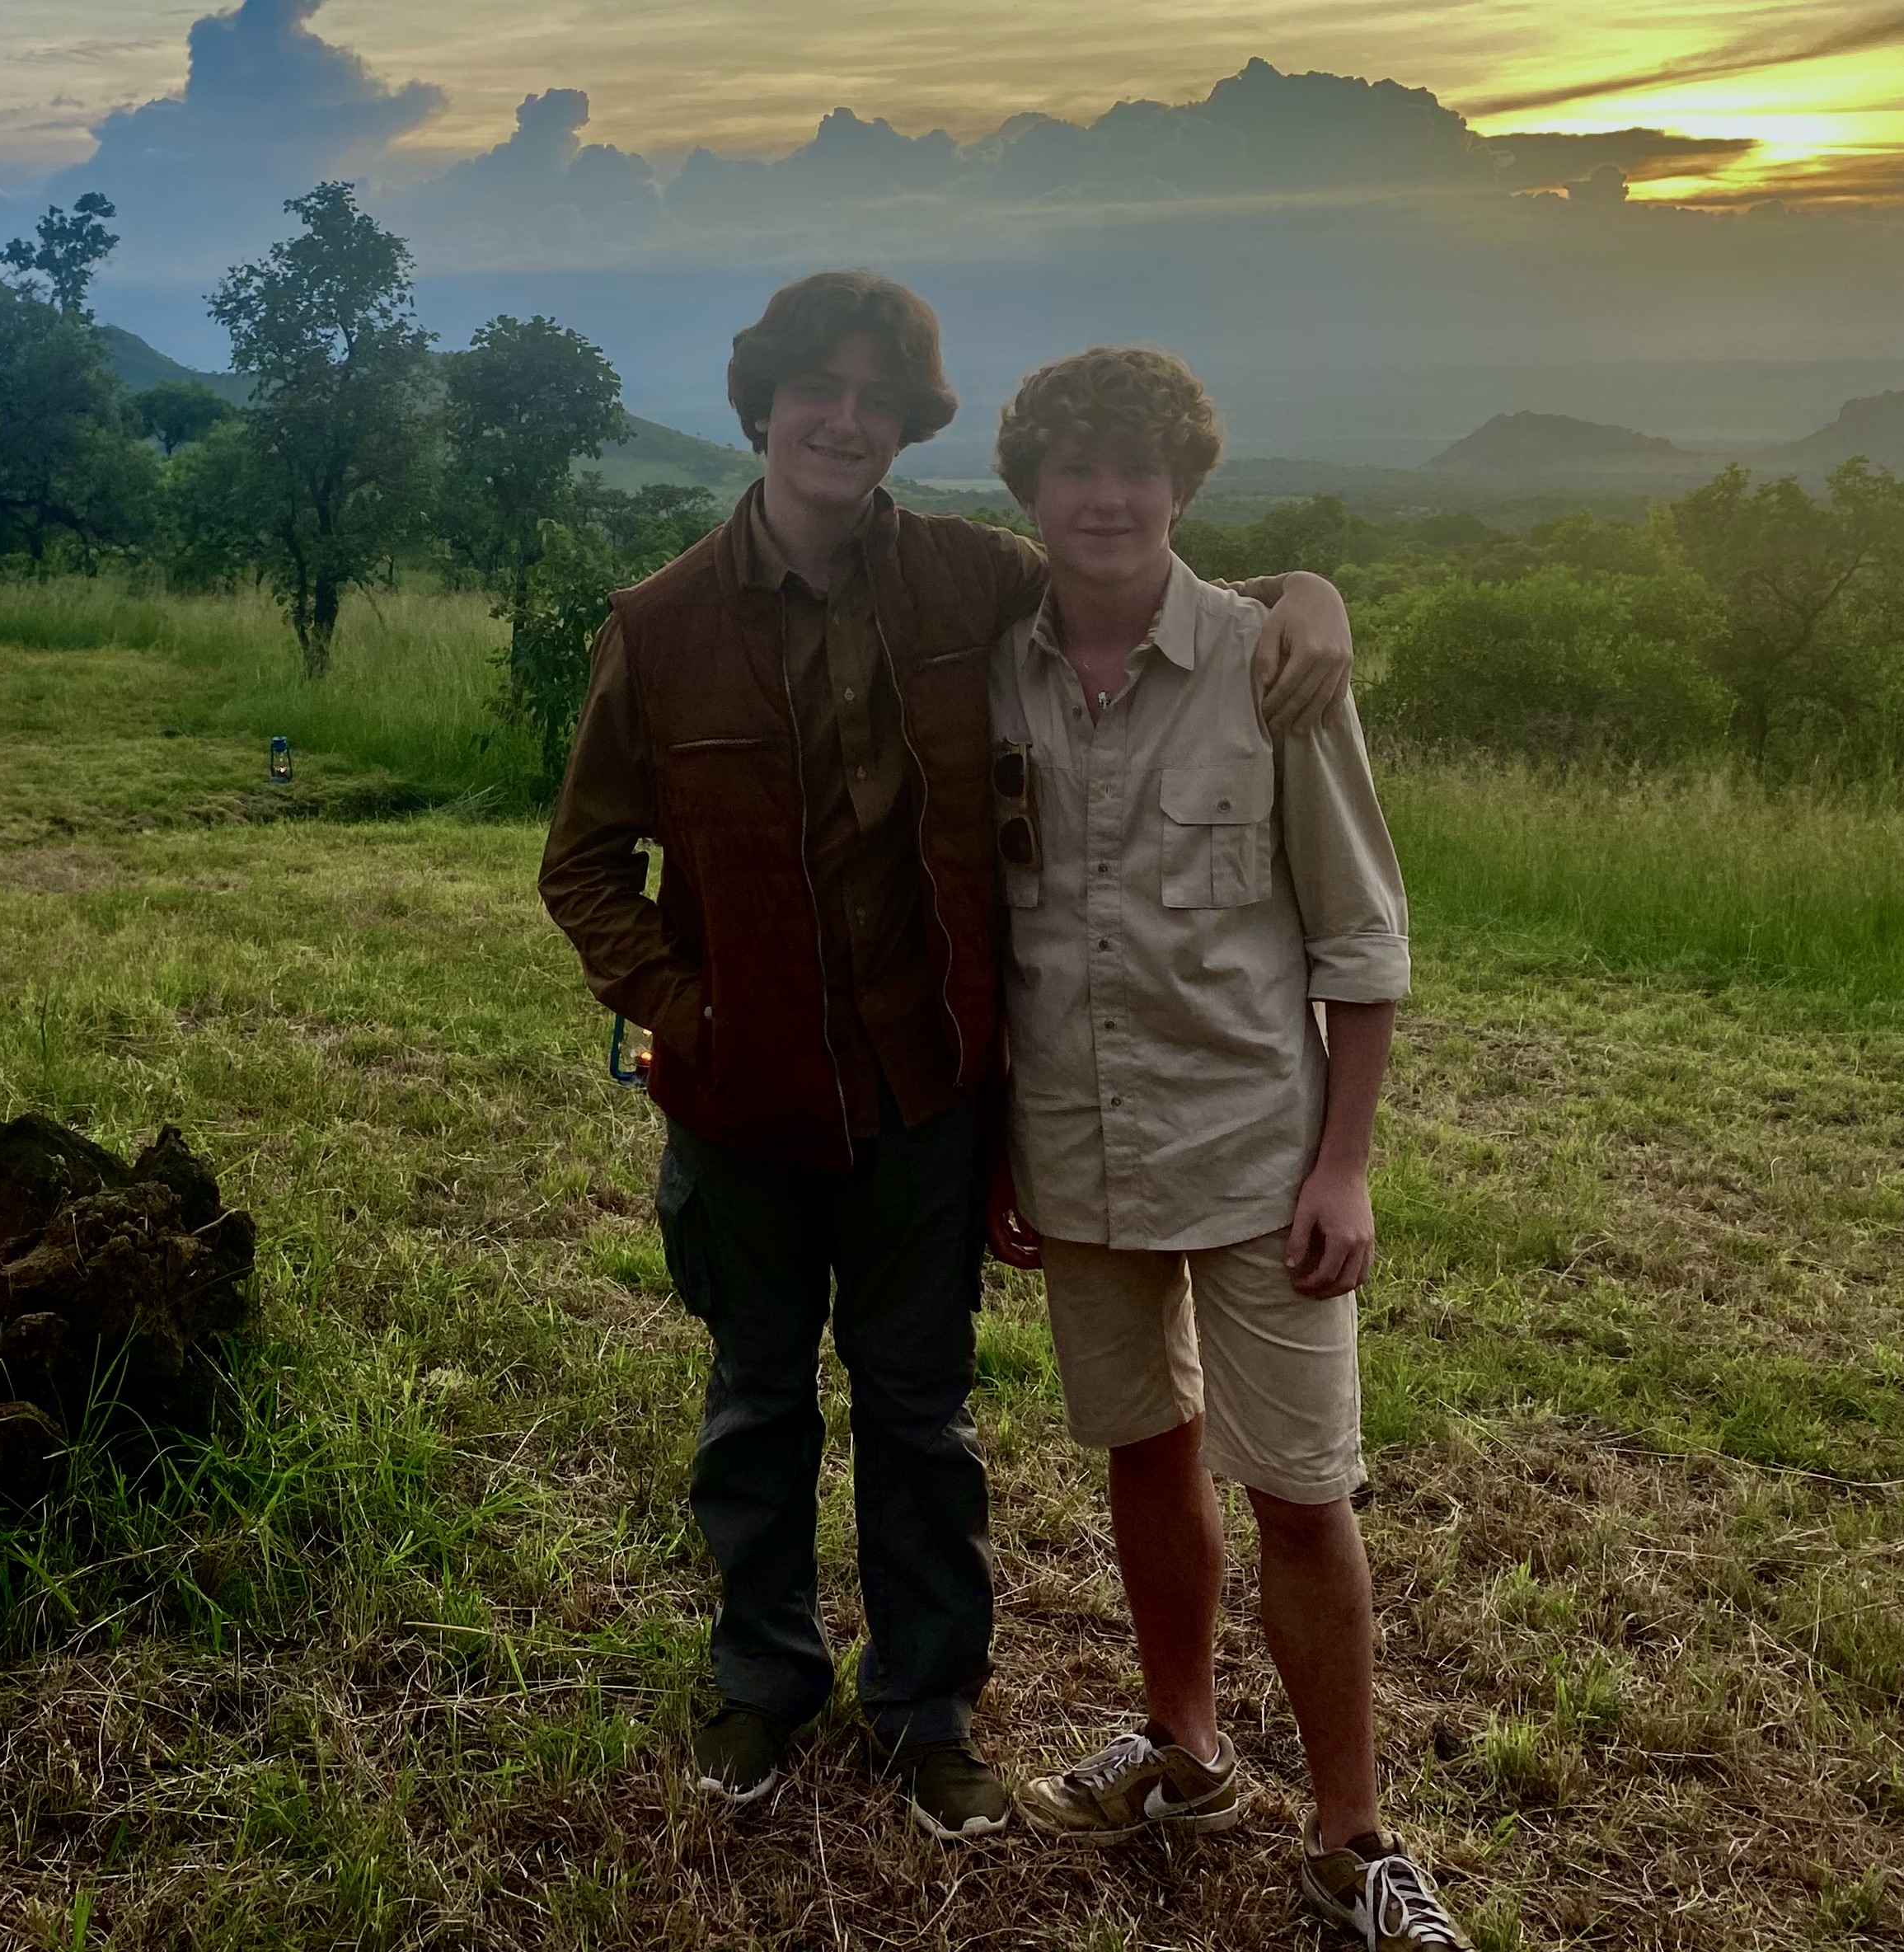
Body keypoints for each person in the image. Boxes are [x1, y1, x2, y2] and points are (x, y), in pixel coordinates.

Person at [537, 273, 1357, 1842]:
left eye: (874, 395)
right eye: (814, 389)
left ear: (906, 426)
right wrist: (683, 1011)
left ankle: (927, 1708)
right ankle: (761, 1681)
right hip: (745, 1105)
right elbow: (584, 864)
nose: (843, 418)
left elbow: (1138, 576)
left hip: (926, 1096)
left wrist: (1308, 589)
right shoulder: (659, 625)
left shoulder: (965, 583)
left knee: (921, 1420)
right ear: (763, 406)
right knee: (754, 1404)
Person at [982, 346, 1464, 1948]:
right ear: (1030, 492)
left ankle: (1355, 1838)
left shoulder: (1274, 664)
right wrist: (1004, 1147)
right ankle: (1183, 1748)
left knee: (1304, 1490)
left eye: (1136, 468)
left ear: (1183, 486)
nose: (1106, 496)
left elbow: (1362, 938)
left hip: (1262, 1154)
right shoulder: (994, 676)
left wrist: (1347, 1163)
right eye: (1074, 468)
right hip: (1079, 1151)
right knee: (1143, 1449)